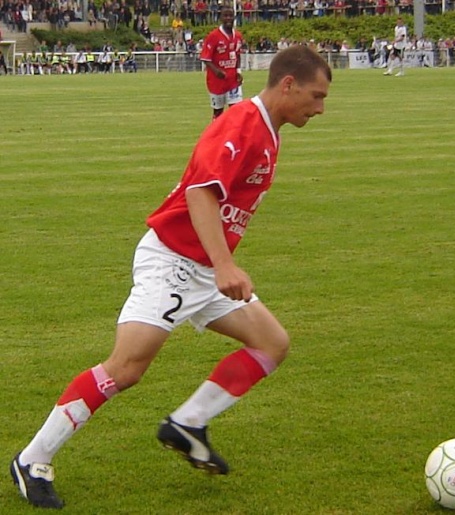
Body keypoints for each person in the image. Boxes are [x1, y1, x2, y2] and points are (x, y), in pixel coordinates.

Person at [9, 45, 333, 510]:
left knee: (271, 343)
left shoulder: (268, 131)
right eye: (316, 95)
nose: (320, 108)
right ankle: (32, 458)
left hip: (202, 269)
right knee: (125, 369)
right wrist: (224, 264)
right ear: (288, 85)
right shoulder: (240, 123)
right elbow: (201, 193)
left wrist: (216, 265)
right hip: (174, 262)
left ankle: (188, 424)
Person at [201, 6, 245, 119]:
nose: (228, 18)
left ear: (234, 17)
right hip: (216, 81)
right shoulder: (213, 36)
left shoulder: (238, 36)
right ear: (220, 18)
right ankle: (217, 136)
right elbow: (206, 58)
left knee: (237, 110)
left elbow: (237, 54)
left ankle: (234, 135)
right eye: (225, 16)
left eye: (230, 15)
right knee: (218, 113)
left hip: (233, 80)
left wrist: (238, 71)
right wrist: (216, 71)